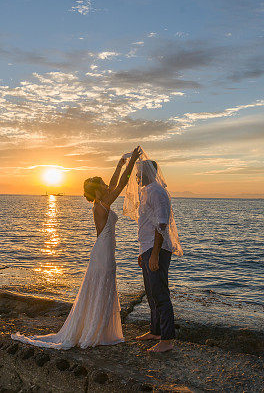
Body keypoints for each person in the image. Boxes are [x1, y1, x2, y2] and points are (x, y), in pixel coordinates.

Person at [11, 146, 141, 349]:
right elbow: (122, 183)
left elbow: (115, 182)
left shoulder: (101, 203)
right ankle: (95, 332)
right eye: (104, 184)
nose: (108, 185)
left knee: (101, 287)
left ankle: (99, 329)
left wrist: (119, 163)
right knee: (102, 286)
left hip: (102, 251)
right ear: (98, 190)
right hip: (104, 253)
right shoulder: (102, 204)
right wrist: (131, 161)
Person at [128, 156, 182, 353]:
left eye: (139, 173)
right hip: (147, 248)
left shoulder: (158, 192)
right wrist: (144, 253)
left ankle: (167, 340)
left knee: (160, 294)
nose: (136, 177)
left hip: (156, 248)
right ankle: (156, 331)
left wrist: (154, 254)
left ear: (148, 173)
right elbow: (146, 225)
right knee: (151, 294)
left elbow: (161, 224)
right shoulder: (146, 192)